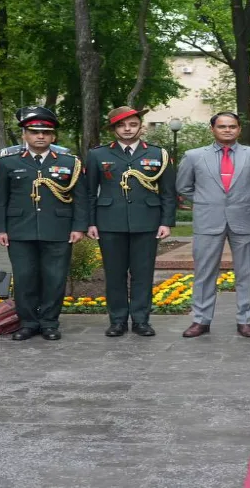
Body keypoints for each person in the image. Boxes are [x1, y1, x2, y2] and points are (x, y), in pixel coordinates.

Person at [0, 107, 88, 341]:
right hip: (19, 229)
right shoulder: (8, 163)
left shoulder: (69, 163)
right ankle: (28, 323)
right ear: (25, 135)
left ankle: (49, 322)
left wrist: (79, 227)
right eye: (34, 132)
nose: (40, 136)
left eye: (46, 132)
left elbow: (81, 198)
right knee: (24, 277)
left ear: (53, 136)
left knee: (54, 278)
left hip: (58, 229)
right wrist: (0, 229)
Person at [176, 112, 250, 338]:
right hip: (208, 219)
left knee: (246, 272)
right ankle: (201, 320)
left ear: (239, 129)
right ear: (212, 129)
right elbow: (183, 187)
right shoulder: (193, 156)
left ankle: (246, 320)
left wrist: (242, 201)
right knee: (204, 272)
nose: (227, 130)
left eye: (232, 126)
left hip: (245, 219)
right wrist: (206, 201)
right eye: (222, 126)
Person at [85, 106, 175, 338]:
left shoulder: (158, 154)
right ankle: (117, 321)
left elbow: (167, 192)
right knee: (114, 274)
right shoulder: (98, 154)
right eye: (122, 125)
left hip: (147, 222)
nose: (127, 129)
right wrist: (91, 222)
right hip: (109, 222)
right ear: (114, 129)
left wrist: (166, 221)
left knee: (142, 274)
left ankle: (141, 320)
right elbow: (89, 193)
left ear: (140, 127)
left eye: (133, 124)